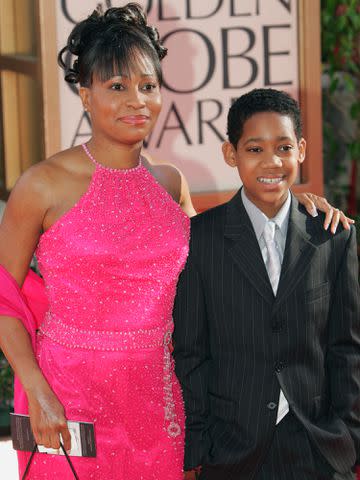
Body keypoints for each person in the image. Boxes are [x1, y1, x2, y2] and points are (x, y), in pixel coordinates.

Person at [0, 3, 352, 479]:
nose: (136, 101)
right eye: (117, 86)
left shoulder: (171, 184)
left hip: (162, 404)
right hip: (69, 401)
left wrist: (292, 202)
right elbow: (4, 297)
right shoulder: (41, 184)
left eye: (148, 86)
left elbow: (227, 260)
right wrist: (37, 389)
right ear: (85, 95)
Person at [173, 88, 360, 480]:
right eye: (255, 149)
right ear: (231, 154)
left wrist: (349, 438)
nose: (272, 162)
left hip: (319, 448)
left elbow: (347, 349)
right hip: (232, 450)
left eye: (284, 147)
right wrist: (197, 450)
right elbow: (191, 355)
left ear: (302, 150)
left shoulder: (333, 236)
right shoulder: (199, 240)